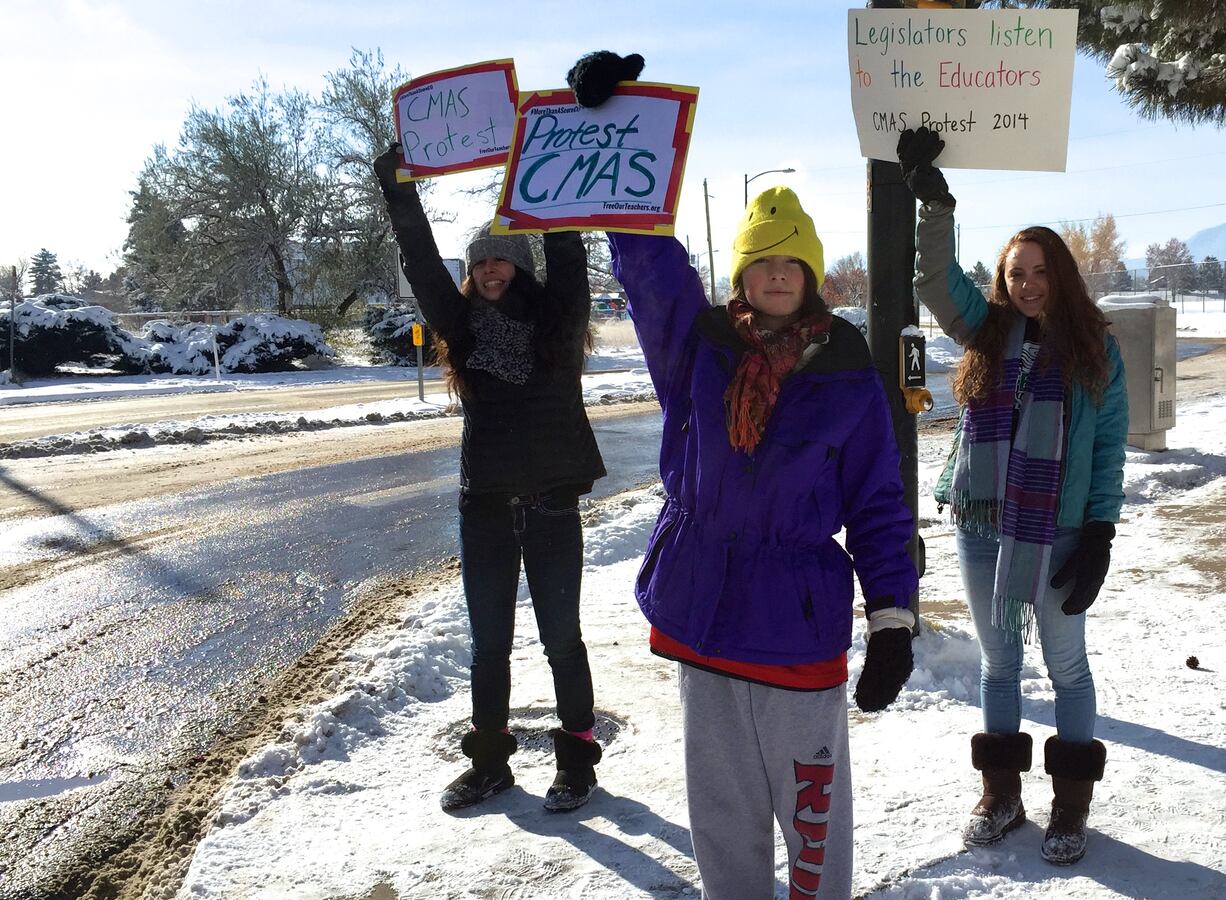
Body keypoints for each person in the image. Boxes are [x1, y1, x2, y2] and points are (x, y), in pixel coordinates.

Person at [568, 51, 918, 900]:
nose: (775, 273)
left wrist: (894, 619)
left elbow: (876, 503)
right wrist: (616, 132)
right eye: (762, 260)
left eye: (791, 263)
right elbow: (652, 277)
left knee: (809, 821)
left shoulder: (847, 371)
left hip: (797, 632)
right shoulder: (702, 349)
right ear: (744, 273)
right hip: (707, 615)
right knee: (721, 819)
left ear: (809, 277)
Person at [898, 126, 1128, 866]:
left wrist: (1100, 532)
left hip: (1059, 530)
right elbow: (932, 283)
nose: (1026, 284)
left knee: (1067, 666)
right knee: (1000, 664)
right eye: (1014, 272)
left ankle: (1070, 805)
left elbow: (1107, 448)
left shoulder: (1096, 347)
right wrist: (936, 206)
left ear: (1059, 275)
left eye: (1037, 271)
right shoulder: (986, 331)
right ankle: (1002, 794)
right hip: (984, 524)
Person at [373, 144, 606, 813]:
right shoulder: (462, 327)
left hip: (552, 504)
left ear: (521, 264)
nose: (488, 268)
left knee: (562, 638)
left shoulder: (558, 321)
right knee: (488, 646)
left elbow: (567, 251)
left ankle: (577, 760)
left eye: (499, 256)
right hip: (486, 508)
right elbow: (420, 262)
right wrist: (398, 194)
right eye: (479, 261)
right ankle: (490, 765)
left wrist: (560, 176)